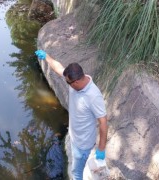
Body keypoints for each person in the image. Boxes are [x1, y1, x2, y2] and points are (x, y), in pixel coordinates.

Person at [35, 50, 108, 180]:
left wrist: (101, 149)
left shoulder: (93, 96)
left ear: (76, 82)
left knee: (76, 172)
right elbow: (59, 69)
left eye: (68, 83)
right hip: (75, 136)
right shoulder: (75, 80)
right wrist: (46, 57)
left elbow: (103, 122)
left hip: (83, 143)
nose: (67, 83)